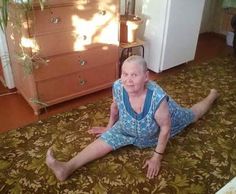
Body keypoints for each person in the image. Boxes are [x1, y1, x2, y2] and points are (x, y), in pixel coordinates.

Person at [46, 55, 219, 181]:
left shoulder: (157, 99)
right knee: (104, 142)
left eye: (134, 75)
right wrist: (108, 127)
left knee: (192, 115)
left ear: (146, 77)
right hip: (126, 127)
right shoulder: (118, 86)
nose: (128, 80)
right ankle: (67, 168)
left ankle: (211, 96)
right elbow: (115, 106)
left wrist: (156, 157)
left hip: (158, 129)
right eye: (125, 74)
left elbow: (165, 128)